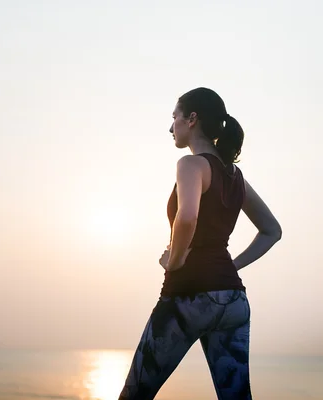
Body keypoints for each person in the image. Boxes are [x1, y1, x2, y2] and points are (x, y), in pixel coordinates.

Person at [118, 87, 282, 400]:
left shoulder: (190, 165)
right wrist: (230, 267)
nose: (170, 127)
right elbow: (272, 231)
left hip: (188, 297)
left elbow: (187, 218)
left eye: (174, 118)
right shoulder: (235, 177)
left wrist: (175, 262)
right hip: (233, 300)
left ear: (192, 119)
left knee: (134, 395)